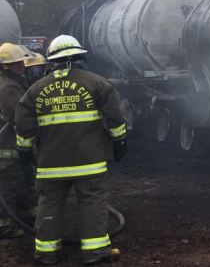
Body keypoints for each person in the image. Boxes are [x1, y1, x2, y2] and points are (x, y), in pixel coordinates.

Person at [16, 35, 127, 265]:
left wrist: (25, 151)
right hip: (89, 163)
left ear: (52, 61)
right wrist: (119, 142)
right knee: (92, 202)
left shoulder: (36, 90)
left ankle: (46, 254)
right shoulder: (98, 84)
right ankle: (95, 253)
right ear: (79, 58)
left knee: (49, 203)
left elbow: (24, 125)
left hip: (50, 165)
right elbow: (115, 119)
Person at [0, 43, 36, 239]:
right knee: (9, 182)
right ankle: (4, 225)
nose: (21, 65)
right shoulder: (8, 87)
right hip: (6, 144)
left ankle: (26, 216)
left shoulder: (14, 82)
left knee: (22, 178)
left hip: (13, 140)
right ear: (6, 66)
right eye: (15, 63)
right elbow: (17, 116)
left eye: (21, 61)